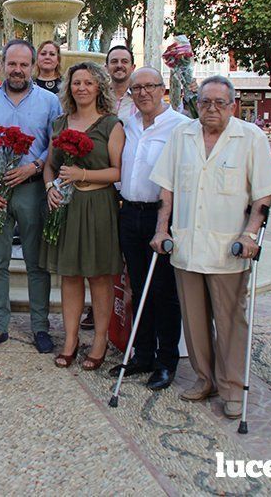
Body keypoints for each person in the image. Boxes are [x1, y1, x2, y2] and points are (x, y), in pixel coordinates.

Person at [150, 75, 271, 419]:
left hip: (228, 250)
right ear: (197, 104)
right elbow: (167, 189)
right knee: (193, 322)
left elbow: (263, 194)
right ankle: (205, 378)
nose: (211, 109)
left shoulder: (250, 138)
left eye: (220, 103)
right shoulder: (182, 135)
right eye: (205, 102)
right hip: (187, 247)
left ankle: (233, 387)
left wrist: (249, 235)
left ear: (232, 106)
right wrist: (161, 229)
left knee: (230, 321)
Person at [0, 39, 61, 353]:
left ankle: (40, 328)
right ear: (3, 65)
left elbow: (56, 146)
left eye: (24, 64)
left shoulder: (49, 102)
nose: (18, 70)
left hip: (32, 190)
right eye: (12, 64)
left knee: (36, 262)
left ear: (33, 66)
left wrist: (33, 167)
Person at [107, 68, 189, 390]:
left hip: (162, 217)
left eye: (149, 86)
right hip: (130, 214)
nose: (142, 93)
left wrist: (166, 224)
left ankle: (165, 361)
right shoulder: (128, 125)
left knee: (164, 292)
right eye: (136, 88)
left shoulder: (181, 128)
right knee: (138, 287)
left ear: (163, 89)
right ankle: (142, 354)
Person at [40, 62, 124, 369]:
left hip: (99, 205)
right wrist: (50, 187)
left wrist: (82, 173)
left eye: (89, 83)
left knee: (99, 277)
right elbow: (50, 164)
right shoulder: (60, 123)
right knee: (70, 276)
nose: (82, 88)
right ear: (69, 87)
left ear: (99, 86)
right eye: (77, 83)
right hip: (67, 207)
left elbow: (118, 171)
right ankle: (71, 339)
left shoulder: (111, 124)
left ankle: (100, 340)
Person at [105, 45, 138, 121]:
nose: (119, 65)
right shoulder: (97, 96)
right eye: (114, 61)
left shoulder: (143, 96)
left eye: (124, 61)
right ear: (106, 67)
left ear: (132, 67)